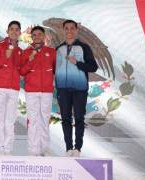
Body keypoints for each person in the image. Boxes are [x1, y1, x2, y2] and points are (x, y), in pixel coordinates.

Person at [55, 19, 98, 157]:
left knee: (79, 118)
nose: (69, 31)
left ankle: (77, 148)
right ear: (63, 30)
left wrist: (78, 63)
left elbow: (93, 67)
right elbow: (54, 69)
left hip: (80, 89)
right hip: (63, 89)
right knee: (65, 119)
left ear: (76, 30)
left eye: (72, 28)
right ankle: (68, 148)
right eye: (66, 28)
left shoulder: (84, 47)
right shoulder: (58, 49)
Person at [20, 26, 56, 156]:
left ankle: (45, 148)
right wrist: (30, 60)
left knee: (44, 119)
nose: (37, 37)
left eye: (39, 34)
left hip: (46, 91)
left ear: (44, 36)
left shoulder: (52, 52)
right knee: (33, 119)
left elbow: (56, 70)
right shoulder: (25, 52)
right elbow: (22, 71)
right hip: (31, 91)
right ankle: (33, 150)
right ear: (31, 37)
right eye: (34, 35)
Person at [0, 20, 22, 155]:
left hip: (14, 89)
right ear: (7, 31)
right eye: (11, 29)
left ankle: (8, 149)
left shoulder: (20, 51)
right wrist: (5, 57)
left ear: (19, 33)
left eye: (17, 29)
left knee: (10, 120)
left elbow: (22, 69)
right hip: (0, 87)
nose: (14, 31)